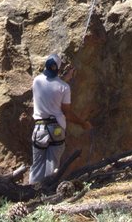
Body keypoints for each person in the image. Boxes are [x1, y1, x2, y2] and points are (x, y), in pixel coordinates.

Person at [29, 53, 92, 184]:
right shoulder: (64, 87)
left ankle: (32, 196)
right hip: (56, 129)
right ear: (58, 69)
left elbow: (50, 86)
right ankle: (49, 194)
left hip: (39, 129)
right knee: (52, 166)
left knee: (37, 166)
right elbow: (67, 113)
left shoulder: (36, 81)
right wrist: (83, 123)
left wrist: (65, 78)